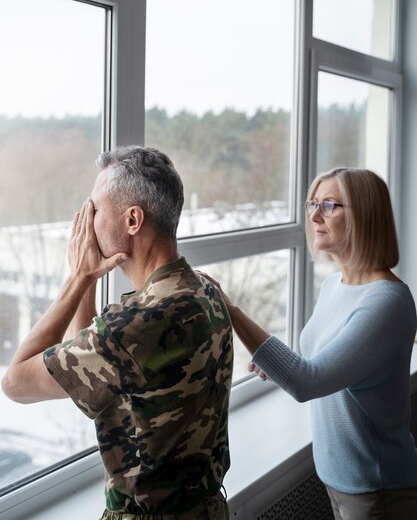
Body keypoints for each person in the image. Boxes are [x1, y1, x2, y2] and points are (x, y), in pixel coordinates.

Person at [1, 145, 233, 520]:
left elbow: (15, 383)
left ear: (132, 220)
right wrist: (89, 280)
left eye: (94, 209)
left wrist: (77, 277)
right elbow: (99, 365)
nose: (86, 221)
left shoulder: (139, 324)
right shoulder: (203, 289)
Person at [205, 167, 417, 520]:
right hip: (339, 478)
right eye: (312, 204)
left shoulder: (387, 301)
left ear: (365, 214)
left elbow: (309, 381)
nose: (315, 215)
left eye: (330, 205)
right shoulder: (335, 285)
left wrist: (230, 309)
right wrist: (276, 366)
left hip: (378, 488)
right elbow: (329, 362)